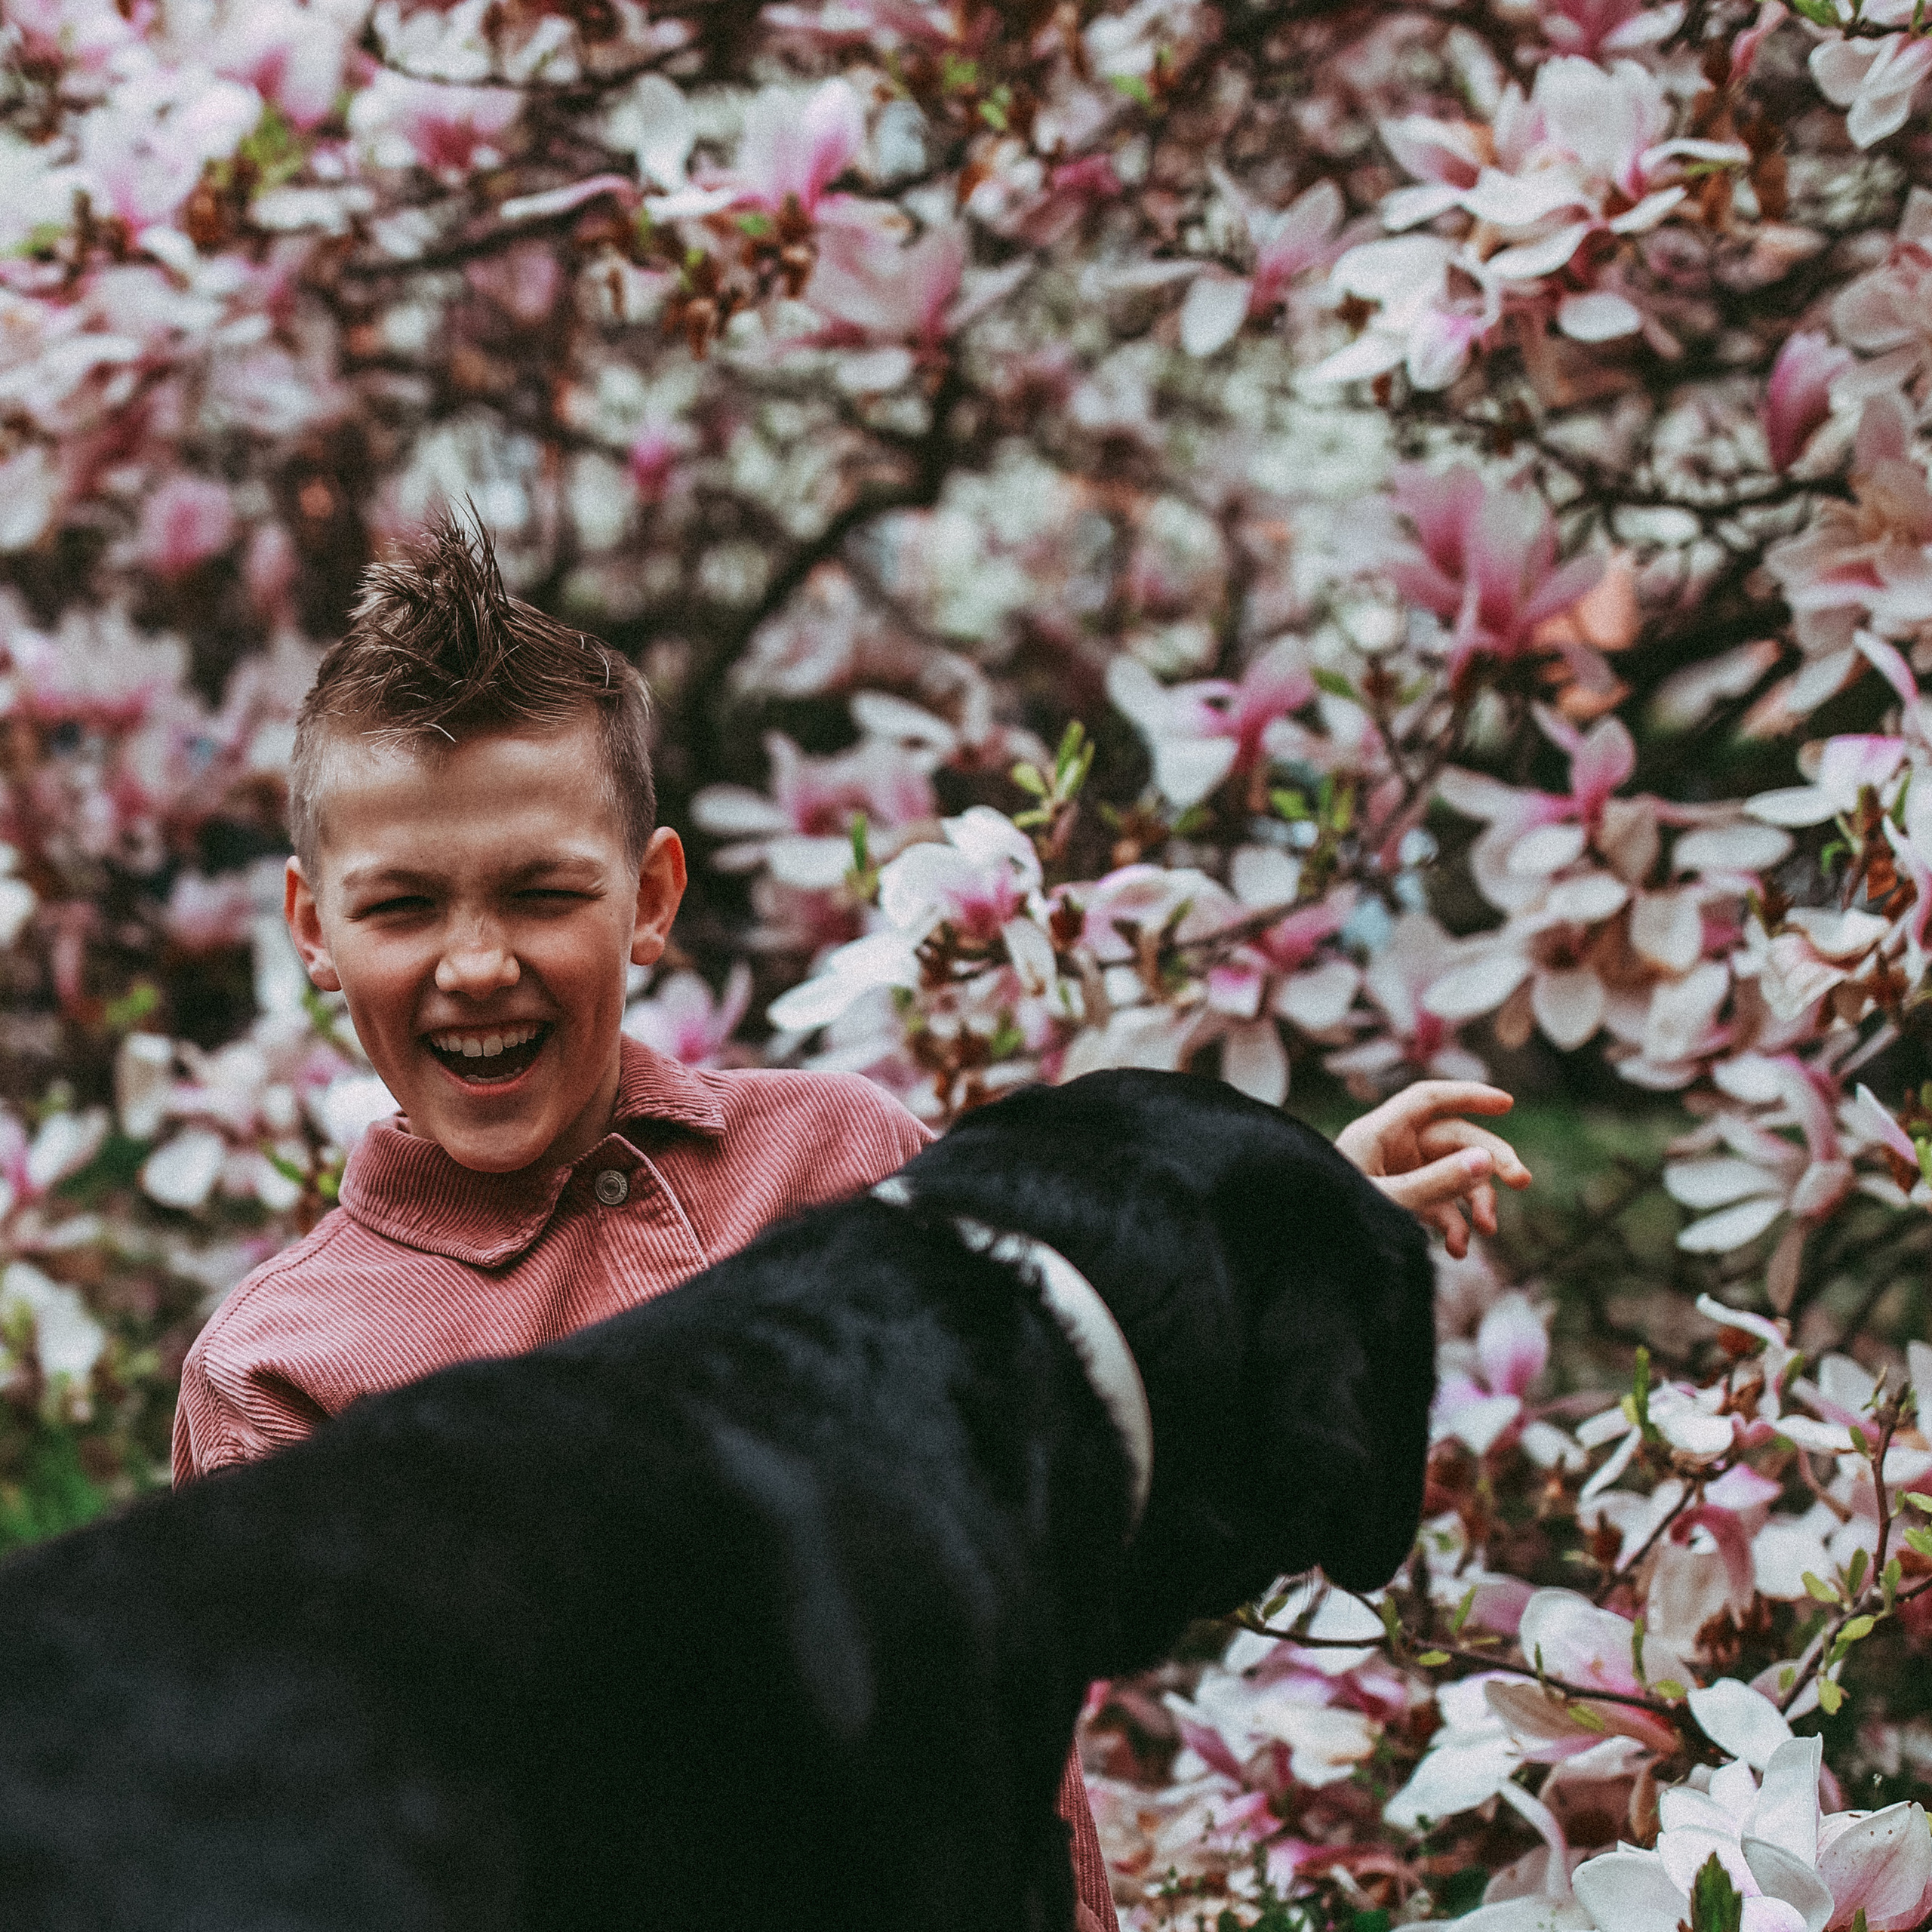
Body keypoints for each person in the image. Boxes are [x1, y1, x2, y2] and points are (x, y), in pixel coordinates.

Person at [171, 510, 1527, 1932]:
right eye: (400, 906)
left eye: (542, 892)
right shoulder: (284, 1373)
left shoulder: (843, 1156)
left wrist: (1286, 1231)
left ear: (649, 899)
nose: (476, 962)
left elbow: (1077, 1419)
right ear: (313, 928)